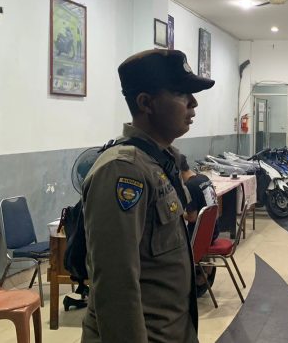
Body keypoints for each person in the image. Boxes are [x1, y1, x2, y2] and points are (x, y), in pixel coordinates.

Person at [81, 49, 214, 343]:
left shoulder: (161, 161)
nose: (193, 103)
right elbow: (115, 286)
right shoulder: (122, 170)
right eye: (180, 93)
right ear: (146, 103)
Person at [180, 155, 219, 297]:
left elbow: (192, 217)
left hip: (199, 239)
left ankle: (196, 277)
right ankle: (206, 268)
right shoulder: (203, 178)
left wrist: (178, 213)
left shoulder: (189, 186)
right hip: (213, 231)